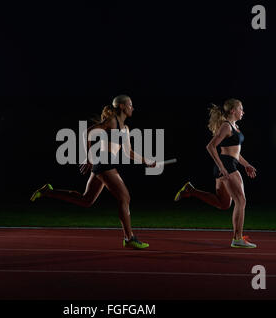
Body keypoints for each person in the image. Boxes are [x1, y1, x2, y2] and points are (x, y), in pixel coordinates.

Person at [31, 95, 155, 249]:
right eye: (130, 104)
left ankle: (48, 192)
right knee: (125, 198)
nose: (133, 107)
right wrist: (89, 156)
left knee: (86, 200)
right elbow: (86, 134)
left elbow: (128, 152)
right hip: (104, 163)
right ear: (122, 106)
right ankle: (129, 238)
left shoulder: (125, 128)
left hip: (105, 164)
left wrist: (146, 161)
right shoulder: (112, 121)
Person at [174, 98, 258, 248]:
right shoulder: (226, 126)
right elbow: (211, 146)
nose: (243, 112)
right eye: (240, 109)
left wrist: (246, 165)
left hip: (228, 164)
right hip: (226, 166)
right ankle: (237, 238)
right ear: (233, 110)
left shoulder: (234, 126)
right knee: (241, 201)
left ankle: (191, 190)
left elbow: (235, 153)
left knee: (224, 203)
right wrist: (222, 167)